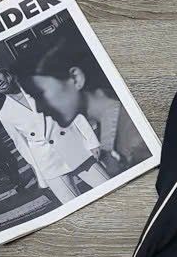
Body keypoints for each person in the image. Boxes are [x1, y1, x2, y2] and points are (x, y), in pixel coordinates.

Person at [0, 50, 98, 204]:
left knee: (107, 189)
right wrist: (40, 174)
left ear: (4, 73)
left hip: (77, 149)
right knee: (74, 207)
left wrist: (92, 142)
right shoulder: (5, 114)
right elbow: (23, 147)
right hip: (49, 165)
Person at [26, 43, 148, 182]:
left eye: (41, 94)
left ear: (75, 78)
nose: (39, 109)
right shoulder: (110, 126)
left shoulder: (134, 136)